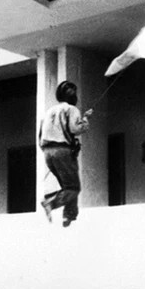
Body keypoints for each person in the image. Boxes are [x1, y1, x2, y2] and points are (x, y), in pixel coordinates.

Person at [39, 81, 93, 227]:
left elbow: (41, 135)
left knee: (67, 185)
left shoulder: (49, 111)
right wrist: (85, 119)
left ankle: (68, 216)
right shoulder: (71, 109)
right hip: (62, 150)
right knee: (73, 188)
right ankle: (50, 203)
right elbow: (76, 129)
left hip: (48, 152)